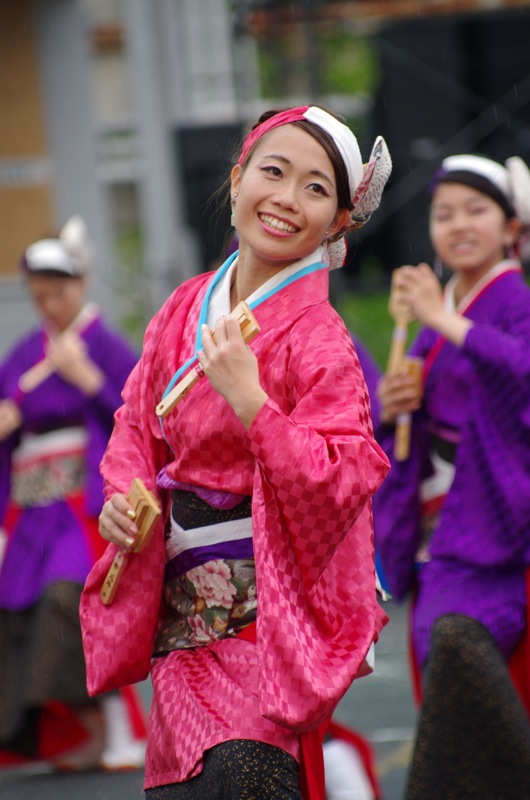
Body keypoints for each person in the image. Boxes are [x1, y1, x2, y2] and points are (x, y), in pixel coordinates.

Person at [82, 105, 392, 800]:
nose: (286, 199)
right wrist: (123, 500)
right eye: (273, 172)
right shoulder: (184, 306)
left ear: (340, 219)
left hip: (266, 625)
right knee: (189, 785)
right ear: (238, 176)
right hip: (183, 626)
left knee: (244, 774)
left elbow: (344, 479)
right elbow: (135, 420)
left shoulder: (320, 338)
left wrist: (254, 404)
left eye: (316, 189)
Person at [373, 153, 530, 799]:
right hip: (444, 536)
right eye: (444, 214)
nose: (459, 225)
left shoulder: (512, 300)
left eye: (476, 210)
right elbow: (402, 428)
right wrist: (392, 408)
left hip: (500, 532)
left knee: (456, 644)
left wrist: (443, 321)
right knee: (443, 655)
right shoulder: (442, 315)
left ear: (512, 227)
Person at [0, 217, 145, 771]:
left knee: (71, 603)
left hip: (83, 508)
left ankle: (113, 727)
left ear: (81, 284)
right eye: (40, 297)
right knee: (16, 611)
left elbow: (141, 419)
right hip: (32, 509)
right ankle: (76, 732)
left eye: (58, 292)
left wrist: (88, 381)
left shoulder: (105, 346)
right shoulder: (21, 353)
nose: (50, 305)